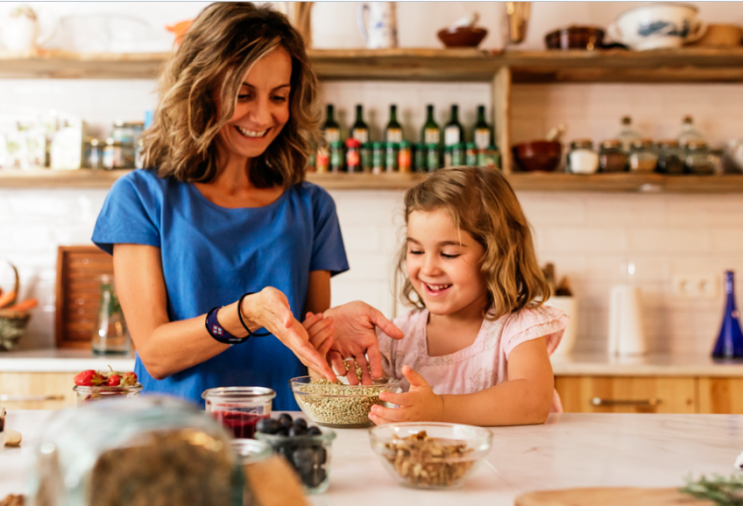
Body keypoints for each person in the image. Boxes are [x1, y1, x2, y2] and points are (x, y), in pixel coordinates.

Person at [92, 2, 400, 410]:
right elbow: (156, 354)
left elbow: (305, 345)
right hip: (174, 439)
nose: (263, 115)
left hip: (285, 431)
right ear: (202, 89)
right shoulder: (140, 197)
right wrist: (247, 313)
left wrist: (329, 328)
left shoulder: (312, 206)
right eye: (243, 94)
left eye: (279, 96)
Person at [307, 167, 569, 425]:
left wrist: (440, 408)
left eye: (449, 254)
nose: (429, 269)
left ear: (496, 256)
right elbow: (349, 400)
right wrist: (322, 348)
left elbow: (533, 402)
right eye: (417, 251)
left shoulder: (518, 328)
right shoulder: (398, 339)